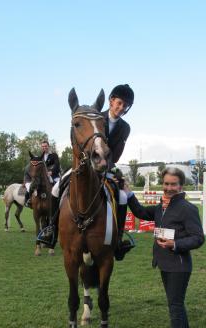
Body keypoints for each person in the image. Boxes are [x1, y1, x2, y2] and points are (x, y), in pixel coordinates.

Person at [39, 84, 135, 259]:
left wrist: (105, 163)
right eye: (119, 103)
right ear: (111, 100)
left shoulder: (125, 128)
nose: (121, 108)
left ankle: (119, 238)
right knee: (55, 189)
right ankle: (51, 229)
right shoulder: (95, 116)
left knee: (121, 197)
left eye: (125, 106)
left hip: (106, 167)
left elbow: (117, 152)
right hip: (83, 165)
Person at [123, 167, 205, 328]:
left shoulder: (187, 209)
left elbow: (198, 238)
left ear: (180, 186)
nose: (169, 188)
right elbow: (141, 212)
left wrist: (176, 244)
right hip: (164, 263)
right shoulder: (162, 206)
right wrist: (128, 193)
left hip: (179, 265)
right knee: (177, 305)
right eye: (166, 184)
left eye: (173, 184)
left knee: (175, 307)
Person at [24, 140, 60, 207]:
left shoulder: (54, 155)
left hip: (54, 175)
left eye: (45, 146)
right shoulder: (40, 157)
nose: (44, 148)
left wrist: (51, 172)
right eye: (43, 146)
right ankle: (28, 199)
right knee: (32, 185)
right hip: (43, 176)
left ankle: (59, 200)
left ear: (48, 146)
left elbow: (57, 165)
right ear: (41, 147)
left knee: (59, 185)